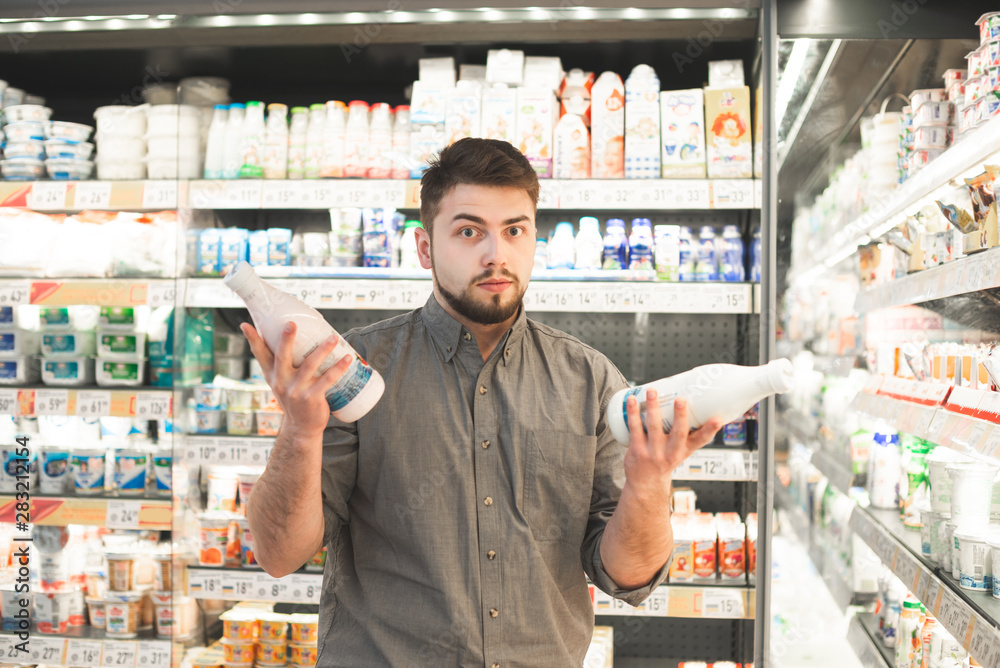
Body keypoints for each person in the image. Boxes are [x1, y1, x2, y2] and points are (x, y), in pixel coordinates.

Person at [241, 137, 722, 667]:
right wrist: (301, 431)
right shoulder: (352, 372)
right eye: (469, 231)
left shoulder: (589, 380)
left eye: (514, 230)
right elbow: (279, 555)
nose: (496, 254)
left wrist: (649, 484)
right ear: (425, 248)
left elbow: (629, 579)